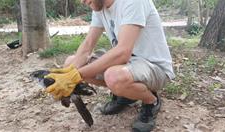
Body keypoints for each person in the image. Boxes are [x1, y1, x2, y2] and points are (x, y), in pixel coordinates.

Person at [45, 0, 175, 131]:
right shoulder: (99, 6)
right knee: (71, 63)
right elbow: (87, 46)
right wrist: (66, 74)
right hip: (128, 65)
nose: (81, 1)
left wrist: (75, 76)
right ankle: (126, 96)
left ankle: (151, 101)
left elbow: (123, 52)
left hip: (154, 67)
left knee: (113, 76)